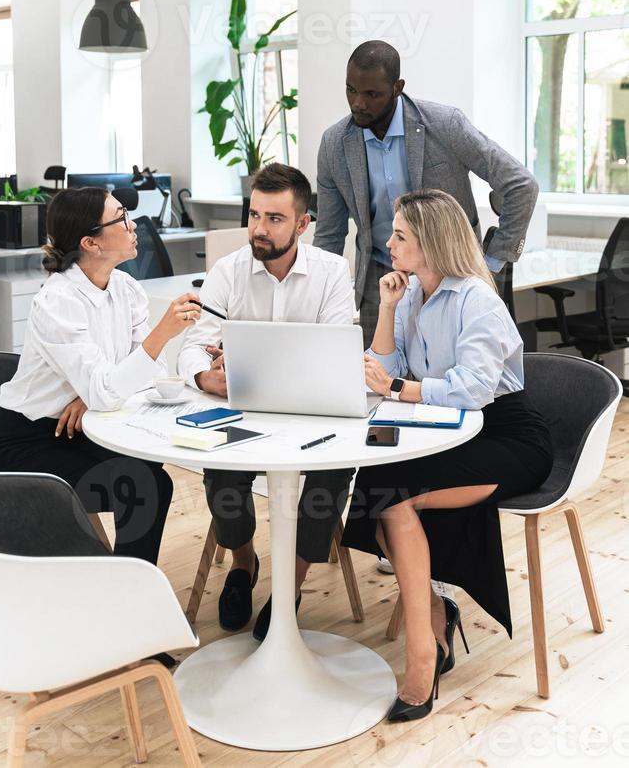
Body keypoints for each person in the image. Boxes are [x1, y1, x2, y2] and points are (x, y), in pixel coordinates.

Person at [341, 189, 552, 723]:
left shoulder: (476, 300)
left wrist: (399, 388)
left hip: (506, 436)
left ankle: (422, 655)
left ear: (431, 243)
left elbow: (474, 389)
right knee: (377, 482)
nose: (387, 243)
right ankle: (436, 617)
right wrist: (387, 308)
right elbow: (381, 367)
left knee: (393, 498)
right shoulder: (412, 294)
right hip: (445, 431)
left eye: (400, 236)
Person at [177, 163, 355, 641]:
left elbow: (338, 354)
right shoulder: (227, 272)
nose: (258, 228)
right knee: (219, 467)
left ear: (302, 224)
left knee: (332, 475)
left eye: (274, 219)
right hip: (242, 411)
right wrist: (202, 375)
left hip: (313, 414)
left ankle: (289, 589)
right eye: (254, 215)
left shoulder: (332, 273)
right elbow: (195, 344)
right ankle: (243, 564)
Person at [0, 186, 202, 567]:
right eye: (121, 218)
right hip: (27, 438)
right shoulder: (58, 301)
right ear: (91, 242)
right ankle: (126, 593)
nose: (133, 224)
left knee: (150, 474)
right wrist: (159, 336)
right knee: (141, 482)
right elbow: (119, 380)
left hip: (83, 423)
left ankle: (125, 586)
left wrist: (90, 395)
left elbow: (151, 377)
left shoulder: (126, 288)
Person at [313, 40, 539, 347]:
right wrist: (319, 301)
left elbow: (521, 184)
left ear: (397, 87)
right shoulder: (334, 144)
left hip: (451, 275)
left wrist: (493, 262)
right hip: (379, 281)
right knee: (374, 382)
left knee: (450, 383)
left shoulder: (445, 125)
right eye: (351, 90)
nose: (358, 104)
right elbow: (328, 234)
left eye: (372, 94)